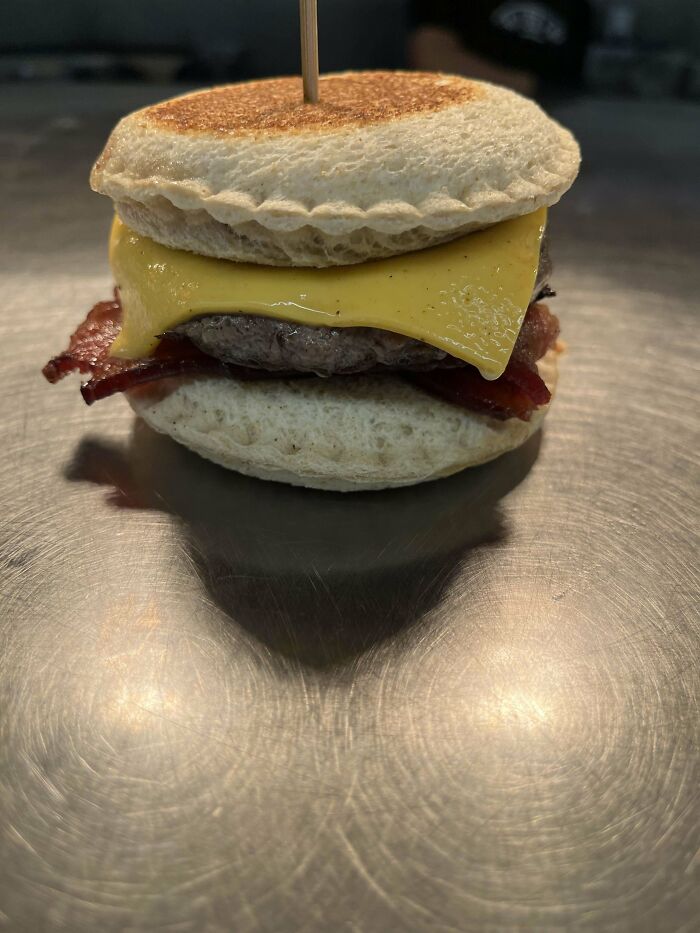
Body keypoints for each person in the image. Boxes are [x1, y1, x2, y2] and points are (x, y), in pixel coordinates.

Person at [408, 0, 593, 96]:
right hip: (466, 120)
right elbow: (431, 57)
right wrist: (527, 87)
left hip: (561, 130)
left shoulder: (577, 7)